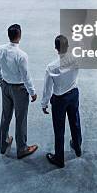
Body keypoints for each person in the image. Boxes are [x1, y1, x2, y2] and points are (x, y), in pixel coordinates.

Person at [0, 24, 38, 159]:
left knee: (5, 116)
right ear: (20, 36)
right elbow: (26, 76)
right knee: (21, 118)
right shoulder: (21, 55)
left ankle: (3, 144)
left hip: (5, 86)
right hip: (19, 89)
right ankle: (22, 148)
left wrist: (1, 82)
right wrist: (32, 92)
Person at [42, 34, 82, 168]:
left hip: (59, 99)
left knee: (59, 129)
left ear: (56, 48)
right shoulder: (76, 59)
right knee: (75, 122)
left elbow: (47, 88)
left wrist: (44, 103)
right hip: (74, 94)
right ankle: (77, 147)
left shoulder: (51, 67)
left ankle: (59, 158)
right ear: (68, 46)